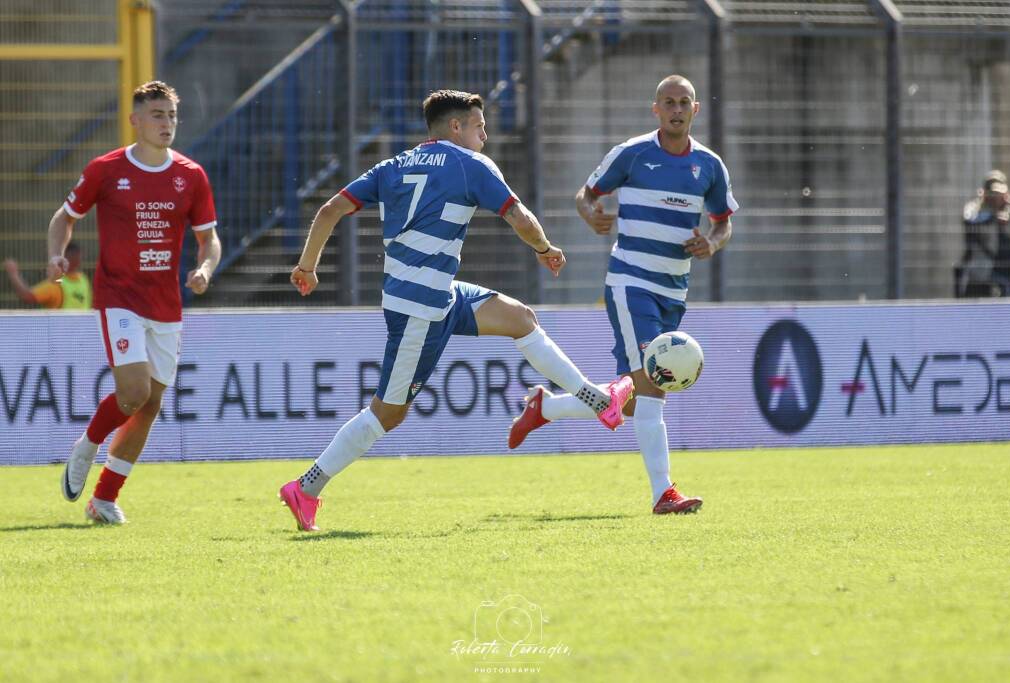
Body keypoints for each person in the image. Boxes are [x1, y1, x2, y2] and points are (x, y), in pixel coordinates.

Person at [279, 89, 634, 531]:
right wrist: (545, 248)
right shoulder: (472, 165)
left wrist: (307, 266)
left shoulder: (392, 166)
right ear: (456, 127)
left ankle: (599, 402)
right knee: (388, 414)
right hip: (420, 310)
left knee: (520, 318)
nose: (485, 132)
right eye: (479, 125)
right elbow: (520, 217)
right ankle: (306, 487)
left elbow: (331, 209)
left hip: (434, 292)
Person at [508, 75, 738, 515]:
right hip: (631, 283)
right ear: (655, 109)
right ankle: (663, 493)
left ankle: (547, 408)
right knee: (654, 387)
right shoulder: (632, 154)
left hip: (674, 290)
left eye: (684, 102)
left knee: (633, 401)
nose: (676, 109)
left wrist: (713, 241)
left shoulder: (709, 166)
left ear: (695, 110)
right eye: (668, 102)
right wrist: (591, 213)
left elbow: (723, 220)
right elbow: (586, 194)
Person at [55, 81, 221, 524]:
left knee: (148, 407)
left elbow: (210, 240)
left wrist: (204, 269)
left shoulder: (191, 174)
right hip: (119, 297)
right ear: (135, 121)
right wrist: (56, 252)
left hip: (166, 304)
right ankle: (87, 446)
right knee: (133, 392)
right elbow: (64, 219)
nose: (166, 124)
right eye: (157, 115)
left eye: (170, 115)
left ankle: (104, 499)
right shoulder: (106, 170)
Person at [956, 169, 1010, 297]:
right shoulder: (975, 208)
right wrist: (993, 217)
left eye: (1000, 194)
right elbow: (969, 219)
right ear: (985, 194)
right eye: (993, 194)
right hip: (983, 271)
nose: (996, 199)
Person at [4, 241, 92, 309]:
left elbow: (27, 297)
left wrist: (13, 274)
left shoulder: (56, 285)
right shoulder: (84, 280)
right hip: (83, 332)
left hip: (57, 332)